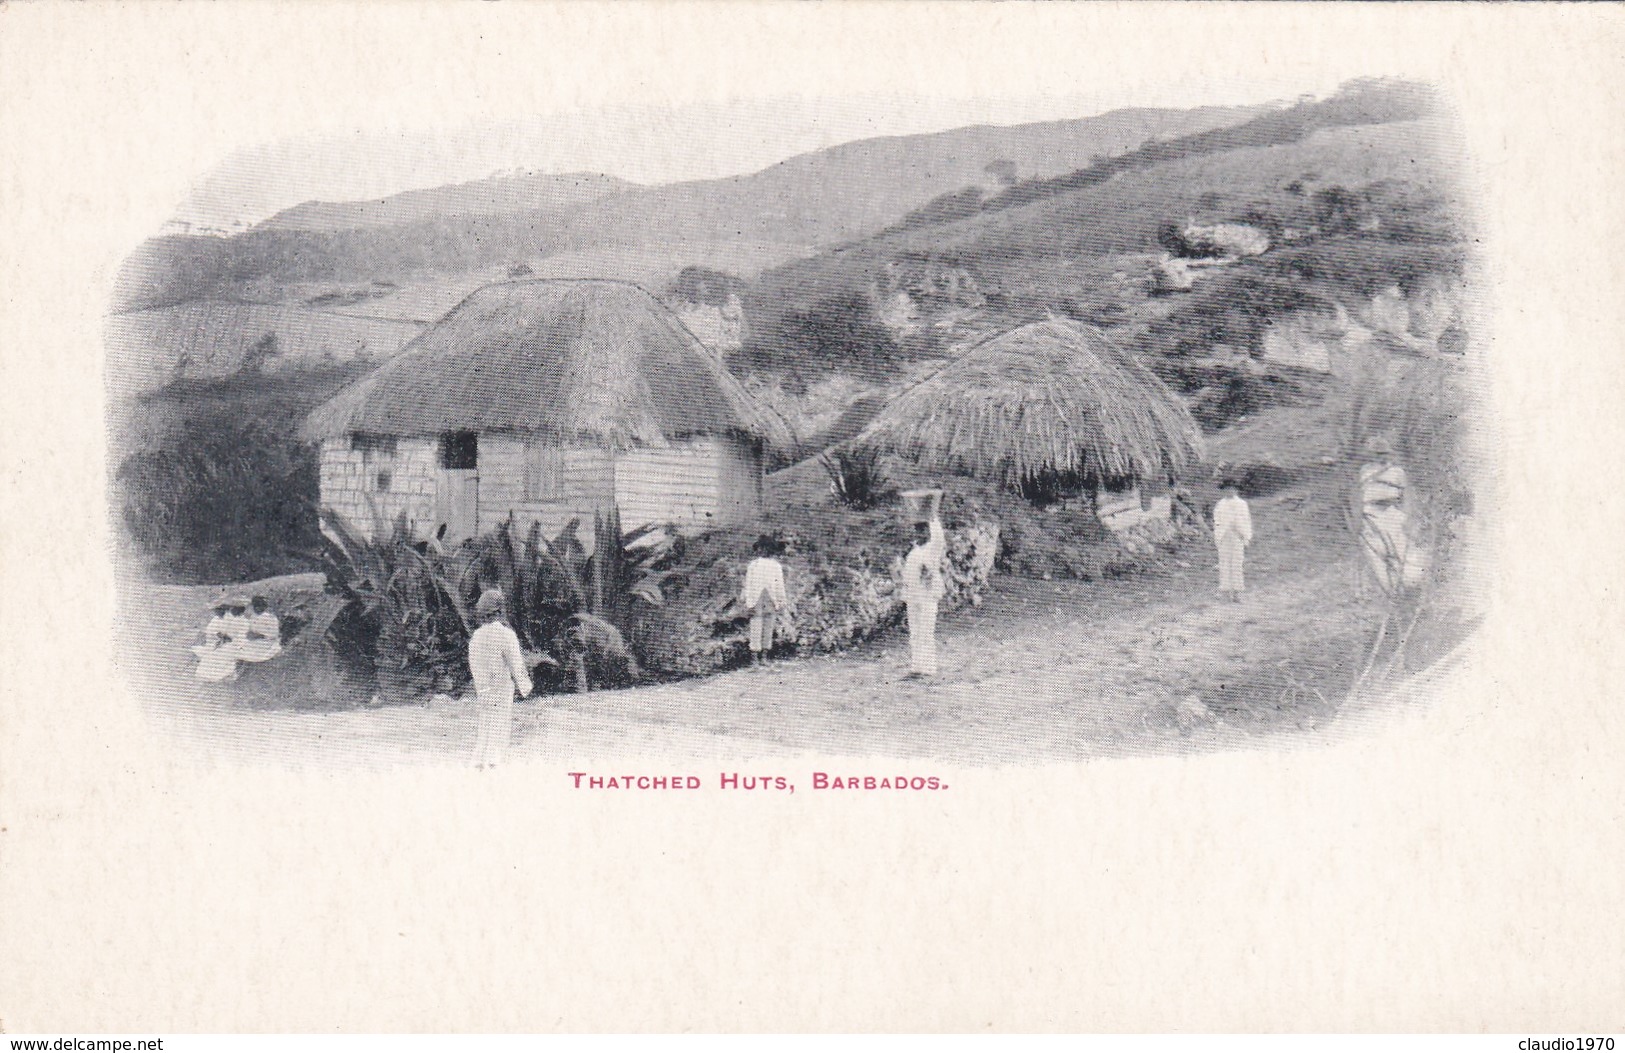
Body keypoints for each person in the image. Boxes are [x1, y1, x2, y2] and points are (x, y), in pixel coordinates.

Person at [466, 589, 532, 770]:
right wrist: (526, 687)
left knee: (485, 722)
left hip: (483, 688)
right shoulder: (506, 634)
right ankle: (495, 761)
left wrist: (481, 686)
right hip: (501, 686)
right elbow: (516, 663)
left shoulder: (476, 638)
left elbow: (474, 665)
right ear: (500, 610)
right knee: (500, 722)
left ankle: (479, 760)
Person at [901, 513, 947, 678]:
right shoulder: (914, 551)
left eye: (922, 531)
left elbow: (939, 538)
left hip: (927, 595)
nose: (919, 534)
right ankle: (916, 667)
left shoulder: (932, 548)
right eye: (917, 530)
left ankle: (928, 668)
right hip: (912, 595)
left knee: (926, 631)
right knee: (915, 632)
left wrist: (933, 516)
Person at [741, 535, 788, 666]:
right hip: (756, 598)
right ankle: (754, 658)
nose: (763, 551)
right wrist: (746, 599)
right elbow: (748, 583)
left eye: (766, 548)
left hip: (770, 599)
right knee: (756, 627)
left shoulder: (776, 566)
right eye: (761, 548)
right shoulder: (753, 565)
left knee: (768, 626)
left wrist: (781, 600)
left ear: (771, 550)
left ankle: (764, 657)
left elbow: (779, 585)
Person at [1212, 480, 1253, 602]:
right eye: (1227, 489)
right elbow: (1217, 520)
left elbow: (1246, 520)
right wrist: (1219, 533)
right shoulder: (1220, 504)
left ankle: (1237, 592)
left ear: (1236, 490)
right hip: (1224, 536)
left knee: (1236, 563)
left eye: (1232, 489)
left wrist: (1245, 535)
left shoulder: (1241, 504)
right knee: (1224, 563)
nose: (1229, 491)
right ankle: (1224, 591)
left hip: (1237, 535)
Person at [191, 598, 244, 682]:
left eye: (219, 610)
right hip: (218, 643)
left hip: (231, 644)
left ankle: (226, 672)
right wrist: (217, 636)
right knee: (211, 655)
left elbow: (239, 634)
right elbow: (211, 632)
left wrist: (229, 639)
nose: (217, 612)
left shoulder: (233, 619)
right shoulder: (216, 620)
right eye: (216, 610)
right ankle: (207, 674)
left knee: (223, 655)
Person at [238, 595, 283, 664]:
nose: (258, 608)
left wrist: (258, 636)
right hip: (255, 648)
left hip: (263, 645)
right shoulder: (253, 617)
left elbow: (273, 636)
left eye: (261, 606)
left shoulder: (270, 618)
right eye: (256, 606)